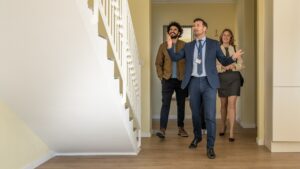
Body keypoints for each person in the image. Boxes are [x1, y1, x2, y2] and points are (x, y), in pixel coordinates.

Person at [167, 18, 243, 159]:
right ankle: (197, 137)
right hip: (194, 82)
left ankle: (210, 147)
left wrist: (234, 57)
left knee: (210, 116)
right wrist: (170, 46)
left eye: (198, 25)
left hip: (209, 83)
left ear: (204, 28)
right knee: (195, 114)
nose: (195, 27)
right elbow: (175, 57)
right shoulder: (188, 46)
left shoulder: (214, 44)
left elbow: (224, 61)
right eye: (194, 25)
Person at [155, 21, 189, 139]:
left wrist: (187, 78)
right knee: (165, 104)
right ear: (168, 32)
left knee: (181, 105)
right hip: (167, 80)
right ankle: (162, 129)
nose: (172, 31)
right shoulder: (163, 46)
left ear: (179, 32)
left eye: (175, 29)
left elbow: (189, 63)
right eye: (170, 29)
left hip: (181, 80)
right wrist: (161, 77)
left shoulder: (185, 46)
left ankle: (181, 128)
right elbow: (158, 63)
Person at [217, 28, 244, 142]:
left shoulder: (236, 49)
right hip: (222, 78)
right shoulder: (217, 49)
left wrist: (234, 66)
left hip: (234, 78)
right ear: (221, 37)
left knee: (232, 105)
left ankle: (232, 132)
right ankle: (223, 125)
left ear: (231, 37)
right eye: (224, 35)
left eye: (228, 35)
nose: (226, 37)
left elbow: (241, 64)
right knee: (223, 104)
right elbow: (215, 65)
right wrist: (223, 67)